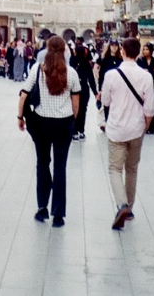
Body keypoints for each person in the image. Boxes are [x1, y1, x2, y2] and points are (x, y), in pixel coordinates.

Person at [18, 36, 81, 227]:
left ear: (46, 49)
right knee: (60, 167)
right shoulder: (71, 73)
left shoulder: (37, 69)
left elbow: (23, 95)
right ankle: (59, 213)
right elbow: (75, 101)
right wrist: (72, 120)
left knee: (43, 164)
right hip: (63, 124)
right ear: (64, 50)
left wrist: (20, 117)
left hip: (41, 124)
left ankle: (42, 207)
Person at [101, 37, 154, 230]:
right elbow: (150, 109)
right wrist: (145, 126)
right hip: (136, 129)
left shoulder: (110, 75)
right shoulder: (147, 76)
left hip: (116, 128)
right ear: (139, 52)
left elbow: (105, 102)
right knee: (132, 169)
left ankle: (121, 204)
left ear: (122, 51)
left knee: (115, 169)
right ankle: (129, 209)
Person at [69, 38, 97, 141]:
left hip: (73, 90)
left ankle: (74, 131)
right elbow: (91, 78)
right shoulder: (87, 63)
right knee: (83, 110)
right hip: (84, 88)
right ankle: (81, 131)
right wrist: (95, 92)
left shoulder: (71, 61)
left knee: (74, 110)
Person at [94, 40, 123, 128]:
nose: (114, 47)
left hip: (118, 86)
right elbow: (98, 70)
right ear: (109, 47)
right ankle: (107, 122)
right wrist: (99, 87)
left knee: (117, 105)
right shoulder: (104, 59)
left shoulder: (120, 59)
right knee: (106, 104)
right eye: (112, 45)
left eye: (116, 45)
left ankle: (115, 122)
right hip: (106, 85)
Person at [137, 43, 154, 135]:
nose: (145, 51)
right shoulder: (140, 61)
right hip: (143, 87)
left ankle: (152, 127)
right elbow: (139, 74)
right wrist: (152, 71)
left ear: (151, 51)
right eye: (144, 49)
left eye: (147, 49)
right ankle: (144, 126)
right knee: (143, 105)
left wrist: (148, 71)